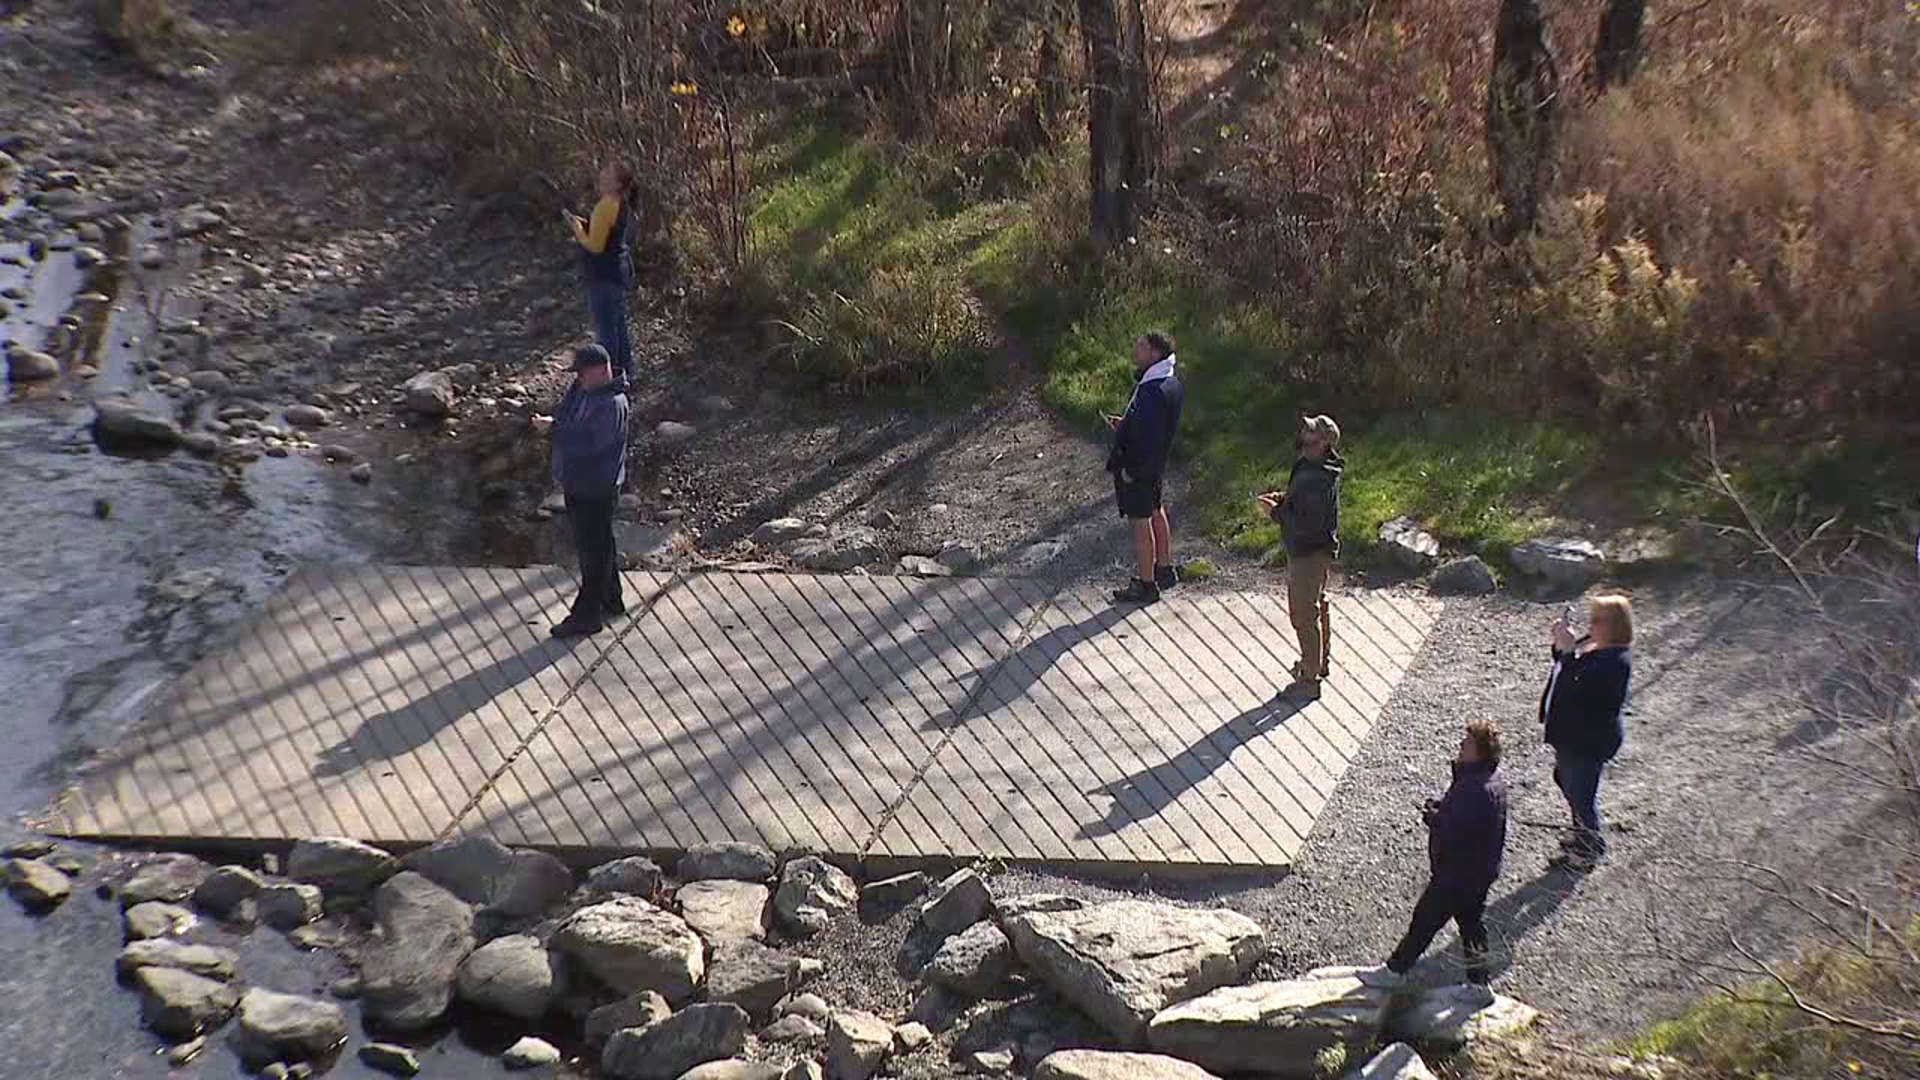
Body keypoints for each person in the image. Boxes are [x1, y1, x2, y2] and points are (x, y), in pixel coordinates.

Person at [1385, 719, 1510, 986]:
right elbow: (1466, 817)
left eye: (1467, 743)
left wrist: (1434, 816)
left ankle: (1394, 971)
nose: (1461, 746)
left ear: (1479, 751)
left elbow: (1456, 830)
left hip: (1457, 874)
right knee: (1471, 928)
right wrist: (1442, 806)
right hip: (1478, 873)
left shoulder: (1476, 788)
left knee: (1424, 921)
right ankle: (1479, 984)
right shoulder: (1486, 781)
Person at [535, 344, 631, 639]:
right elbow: (566, 415)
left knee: (593, 553)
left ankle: (586, 614)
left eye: (582, 372)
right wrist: (554, 423)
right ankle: (611, 600)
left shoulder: (612, 404)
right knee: (601, 546)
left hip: (596, 488)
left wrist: (552, 431)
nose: (577, 378)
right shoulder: (582, 390)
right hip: (578, 483)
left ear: (602, 371)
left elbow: (590, 444)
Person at [1540, 593, 1634, 871]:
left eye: (1597, 620)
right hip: (1572, 736)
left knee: (1581, 794)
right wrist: (1562, 645)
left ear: (1614, 625)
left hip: (1587, 742)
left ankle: (1589, 848)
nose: (1590, 625)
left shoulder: (1615, 661)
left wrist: (1569, 653)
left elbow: (1577, 684)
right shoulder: (1596, 648)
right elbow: (1566, 667)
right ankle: (1582, 832)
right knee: (1565, 780)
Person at [1256, 415, 1344, 696]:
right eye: (1305, 433)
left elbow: (1306, 522)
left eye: (1311, 437)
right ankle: (1317, 662)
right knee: (1317, 603)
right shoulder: (1316, 469)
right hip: (1317, 550)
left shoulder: (1316, 478)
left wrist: (1276, 512)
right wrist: (1285, 498)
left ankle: (1308, 680)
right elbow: (1305, 506)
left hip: (1308, 552)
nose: (1304, 440)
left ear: (1325, 444)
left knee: (1303, 615)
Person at [1104, 332, 1185, 604]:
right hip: (1155, 465)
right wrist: (1125, 425)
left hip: (1140, 467)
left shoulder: (1152, 392)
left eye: (1141, 347)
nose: (1135, 351)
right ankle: (1164, 568)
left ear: (1155, 353)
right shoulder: (1170, 382)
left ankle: (1146, 584)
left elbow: (1149, 438)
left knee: (1140, 524)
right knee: (1156, 510)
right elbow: (1152, 429)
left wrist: (1131, 472)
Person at [565, 162, 638, 380]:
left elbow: (595, 246)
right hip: (617, 271)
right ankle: (625, 373)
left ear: (616, 183)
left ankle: (608, 379)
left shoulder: (605, 205)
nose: (601, 176)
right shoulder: (621, 204)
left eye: (607, 175)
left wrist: (577, 229)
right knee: (618, 326)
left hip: (601, 273)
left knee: (606, 330)